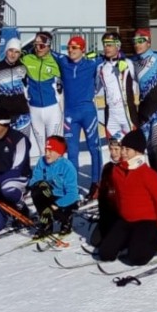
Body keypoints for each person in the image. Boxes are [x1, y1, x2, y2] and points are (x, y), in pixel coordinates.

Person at [98, 130, 157, 266]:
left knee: (137, 259)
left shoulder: (148, 174)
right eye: (123, 148)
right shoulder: (117, 171)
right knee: (105, 254)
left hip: (147, 220)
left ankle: (156, 239)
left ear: (138, 152)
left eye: (127, 149)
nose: (123, 152)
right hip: (126, 220)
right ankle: (131, 239)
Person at [60, 35, 102, 201]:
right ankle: (72, 186)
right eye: (69, 47)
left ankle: (96, 183)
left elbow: (115, 55)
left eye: (75, 47)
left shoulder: (92, 63)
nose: (71, 50)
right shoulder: (63, 62)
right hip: (70, 114)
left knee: (94, 148)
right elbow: (46, 51)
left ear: (83, 50)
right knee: (72, 152)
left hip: (87, 112)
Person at [130, 28, 157, 184]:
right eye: (135, 41)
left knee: (155, 148)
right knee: (140, 149)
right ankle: (147, 184)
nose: (137, 45)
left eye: (141, 41)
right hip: (144, 110)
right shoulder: (132, 61)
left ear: (149, 42)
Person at [21, 31, 66, 157]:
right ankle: (44, 175)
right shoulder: (27, 59)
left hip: (52, 109)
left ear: (48, 45)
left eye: (41, 45)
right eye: (35, 45)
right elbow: (10, 60)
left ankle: (57, 175)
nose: (37, 48)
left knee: (55, 147)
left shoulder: (57, 60)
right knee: (42, 150)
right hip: (34, 110)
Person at [29, 135, 80, 237]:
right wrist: (39, 185)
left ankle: (66, 220)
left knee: (60, 211)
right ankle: (46, 224)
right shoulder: (42, 162)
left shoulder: (67, 167)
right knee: (36, 191)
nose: (47, 153)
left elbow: (73, 194)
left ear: (59, 153)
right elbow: (34, 180)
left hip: (65, 199)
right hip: (50, 195)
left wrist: (56, 204)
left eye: (50, 151)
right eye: (46, 150)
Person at [95, 31, 139, 141]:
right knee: (114, 150)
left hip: (127, 113)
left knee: (132, 148)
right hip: (111, 115)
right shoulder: (101, 67)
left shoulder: (128, 63)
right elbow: (94, 88)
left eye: (109, 44)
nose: (106, 48)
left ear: (118, 45)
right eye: (104, 44)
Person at [90, 136, 123, 247]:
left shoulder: (128, 166)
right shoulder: (107, 167)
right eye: (111, 149)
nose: (113, 153)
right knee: (95, 241)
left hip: (124, 212)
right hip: (110, 212)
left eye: (116, 149)